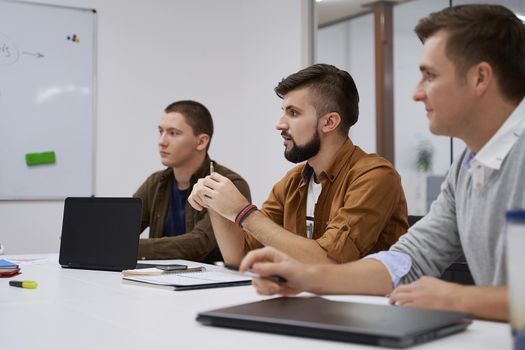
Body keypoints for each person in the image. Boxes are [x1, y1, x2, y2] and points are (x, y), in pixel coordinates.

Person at [237, 4, 525, 322]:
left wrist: (459, 297)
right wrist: (306, 278)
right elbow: (407, 261)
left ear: (479, 78)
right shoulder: (466, 168)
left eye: (429, 76)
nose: (416, 93)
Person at [189, 64, 408, 265]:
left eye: (293, 113)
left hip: (365, 305)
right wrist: (215, 200)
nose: (279, 124)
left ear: (329, 122)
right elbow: (241, 257)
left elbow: (329, 262)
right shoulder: (293, 181)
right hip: (308, 302)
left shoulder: (375, 176)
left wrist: (244, 212)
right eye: (283, 111)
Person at [134, 100, 251, 262]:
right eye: (160, 131)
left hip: (209, 283)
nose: (162, 141)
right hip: (158, 280)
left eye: (173, 133)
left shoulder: (229, 184)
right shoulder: (155, 182)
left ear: (201, 141)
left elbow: (198, 244)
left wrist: (128, 247)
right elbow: (121, 229)